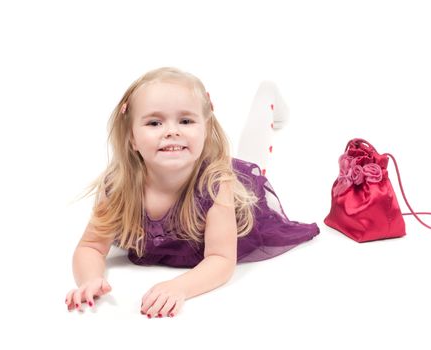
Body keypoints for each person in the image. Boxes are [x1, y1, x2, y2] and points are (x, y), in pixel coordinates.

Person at [65, 67, 320, 318]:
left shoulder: (218, 184)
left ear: (205, 129)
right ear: (132, 138)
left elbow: (221, 259)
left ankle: (267, 97)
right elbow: (91, 247)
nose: (172, 131)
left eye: (186, 121)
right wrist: (90, 279)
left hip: (244, 207)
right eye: (154, 122)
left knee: (256, 154)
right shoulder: (118, 186)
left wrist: (178, 287)